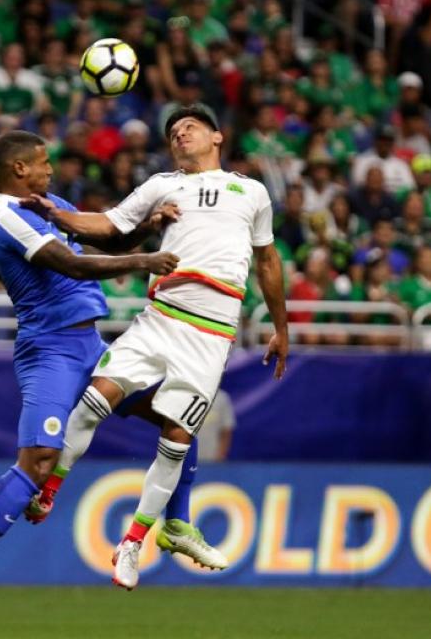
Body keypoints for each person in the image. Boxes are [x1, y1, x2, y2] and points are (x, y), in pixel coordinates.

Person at [22, 104, 289, 591]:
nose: (179, 134)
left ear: (217, 137)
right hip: (161, 316)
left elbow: (268, 262)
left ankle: (133, 542)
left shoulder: (250, 191)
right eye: (172, 132)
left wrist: (280, 328)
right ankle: (50, 488)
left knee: (176, 438)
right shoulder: (164, 185)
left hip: (212, 332)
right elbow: (108, 226)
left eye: (190, 127)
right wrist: (57, 214)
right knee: (93, 401)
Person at [0, 130, 181, 632]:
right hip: (50, 351)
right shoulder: (6, 217)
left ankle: (178, 523)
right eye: (44, 163)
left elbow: (101, 239)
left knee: (175, 414)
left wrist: (149, 229)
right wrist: (143, 262)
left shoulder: (49, 204)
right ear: (19, 169)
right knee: (39, 460)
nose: (52, 170)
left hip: (90, 346)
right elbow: (70, 263)